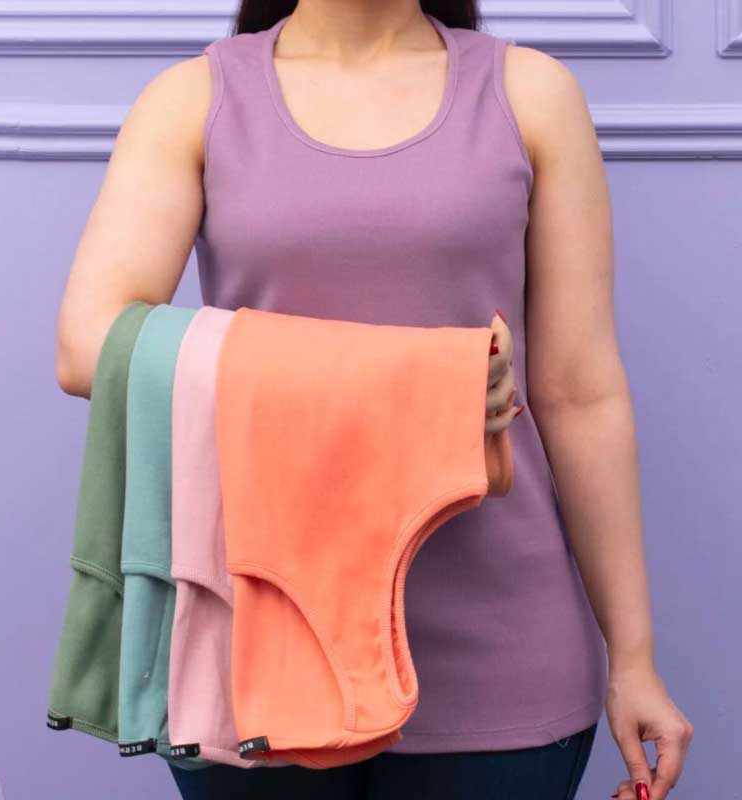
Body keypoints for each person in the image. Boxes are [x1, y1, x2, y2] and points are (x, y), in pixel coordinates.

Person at [54, 2, 694, 798]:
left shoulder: (531, 94)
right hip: (261, 645)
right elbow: (88, 346)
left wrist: (633, 659)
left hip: (503, 656)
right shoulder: (193, 100)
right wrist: (425, 384)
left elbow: (580, 394)